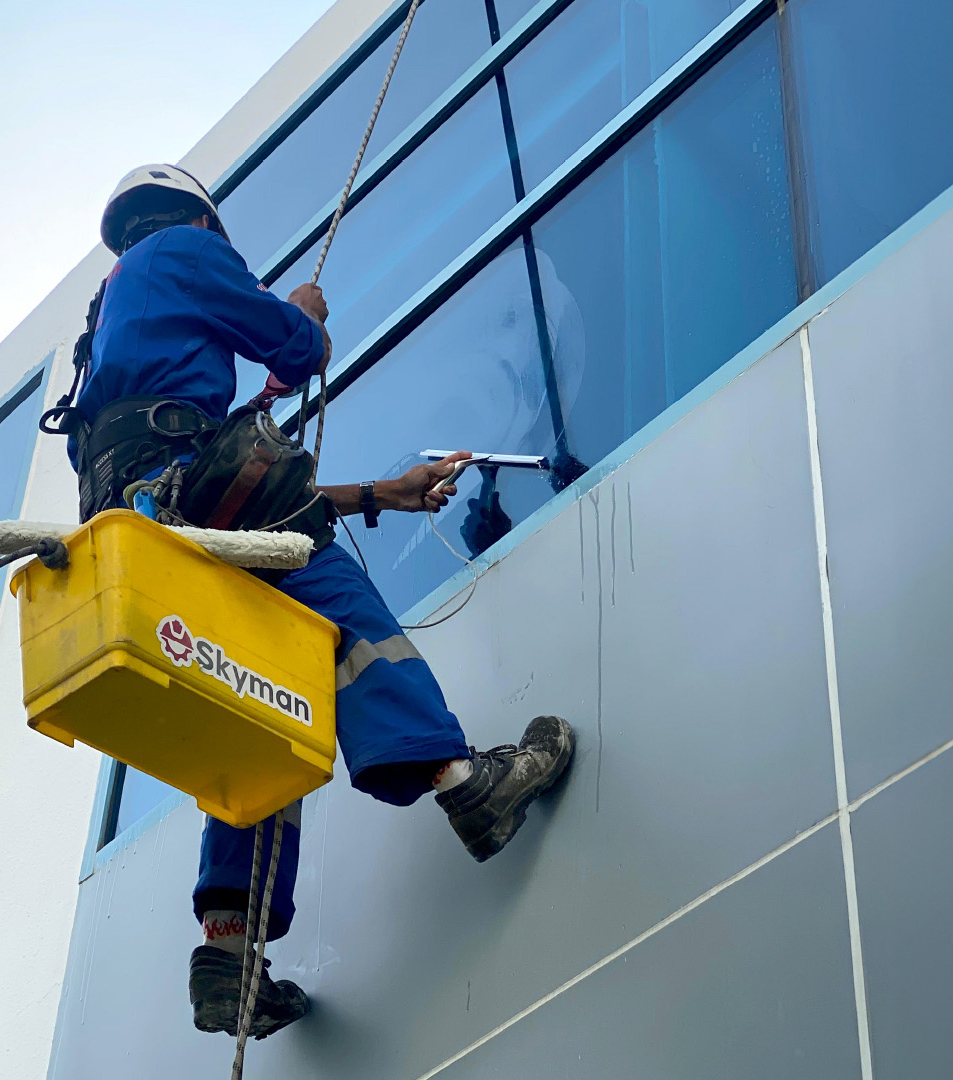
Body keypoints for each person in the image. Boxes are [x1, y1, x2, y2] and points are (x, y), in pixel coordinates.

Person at [65, 165, 575, 1040]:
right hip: (184, 502)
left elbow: (246, 495)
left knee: (258, 700)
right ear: (196, 219)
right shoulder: (183, 250)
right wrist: (301, 311)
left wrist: (385, 493)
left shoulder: (108, 323)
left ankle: (228, 955)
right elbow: (297, 356)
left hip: (146, 532)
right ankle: (464, 782)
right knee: (330, 595)